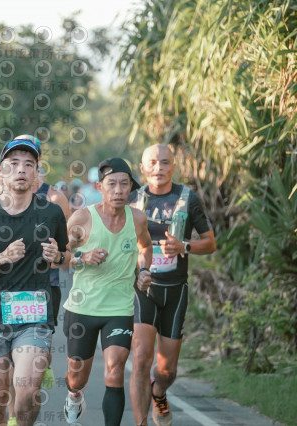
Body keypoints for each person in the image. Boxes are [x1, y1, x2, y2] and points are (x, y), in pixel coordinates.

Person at [0, 138, 69, 426]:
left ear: (36, 173)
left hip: (33, 317)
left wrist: (58, 256)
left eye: (29, 164)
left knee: (27, 392)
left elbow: (67, 257)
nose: (21, 170)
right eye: (13, 164)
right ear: (0, 171)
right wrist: (0, 257)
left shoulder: (51, 213)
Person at [129, 144, 216, 426]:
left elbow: (210, 243)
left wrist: (184, 246)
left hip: (175, 291)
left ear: (174, 167)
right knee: (141, 359)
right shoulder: (132, 200)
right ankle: (141, 422)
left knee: (167, 371)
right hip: (142, 289)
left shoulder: (188, 198)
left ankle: (158, 391)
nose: (159, 168)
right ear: (142, 168)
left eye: (165, 162)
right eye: (152, 163)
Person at [62, 158, 152, 426]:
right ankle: (74, 395)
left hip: (119, 308)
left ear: (131, 187)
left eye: (124, 184)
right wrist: (82, 256)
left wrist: (143, 270)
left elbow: (145, 247)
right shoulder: (82, 218)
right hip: (82, 307)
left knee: (114, 369)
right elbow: (59, 257)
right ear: (100, 186)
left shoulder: (138, 219)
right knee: (77, 375)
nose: (118, 190)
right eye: (112, 184)